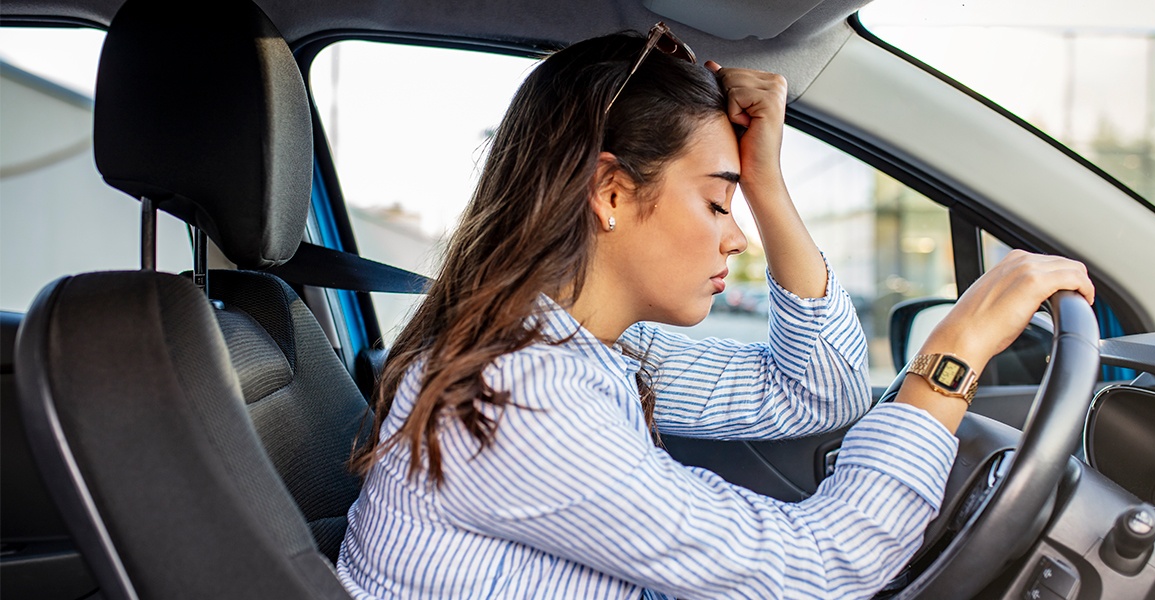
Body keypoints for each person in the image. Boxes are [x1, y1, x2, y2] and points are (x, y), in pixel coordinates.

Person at [336, 24, 1093, 600]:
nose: (737, 236)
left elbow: (816, 393)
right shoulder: (518, 395)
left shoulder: (581, 348)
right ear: (610, 193)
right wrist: (951, 353)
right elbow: (819, 570)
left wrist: (763, 179)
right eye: (714, 201)